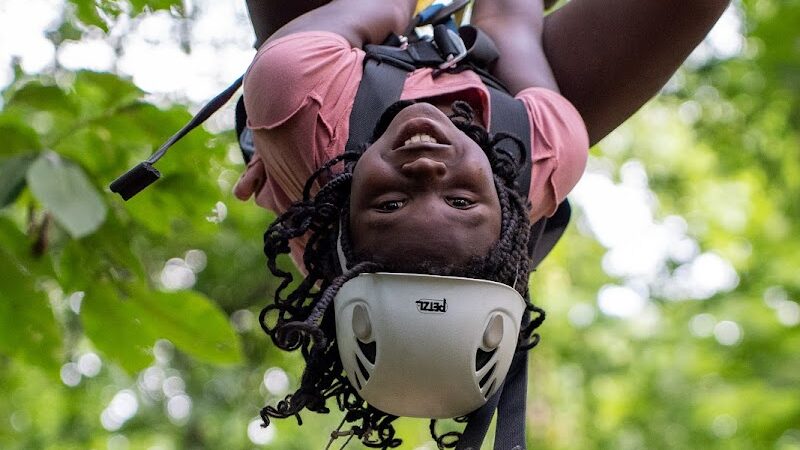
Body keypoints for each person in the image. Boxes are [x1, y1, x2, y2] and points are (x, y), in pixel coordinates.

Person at [232, 0, 731, 447]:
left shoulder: (299, 98)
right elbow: (508, 20)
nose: (426, 167)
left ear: (343, 219)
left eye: (388, 204)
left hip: (332, 92)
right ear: (506, 208)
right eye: (460, 200)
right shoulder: (540, 153)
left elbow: (389, 6)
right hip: (495, 111)